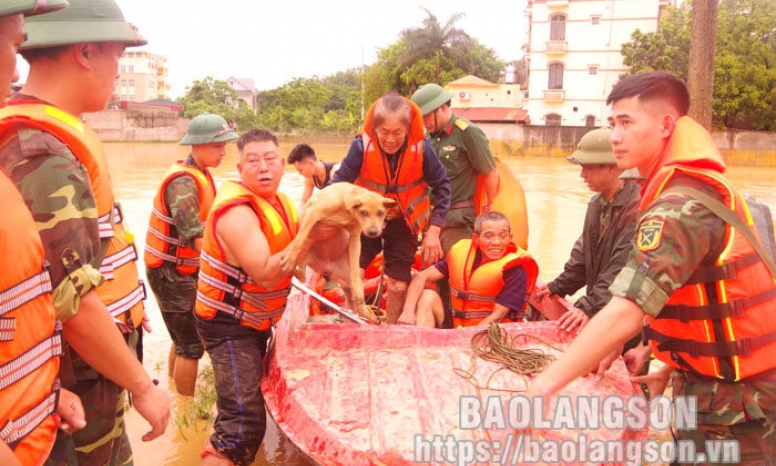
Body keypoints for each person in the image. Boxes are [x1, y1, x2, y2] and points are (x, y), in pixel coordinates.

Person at [527, 71, 776, 462]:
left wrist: (543, 386)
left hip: (739, 405)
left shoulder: (679, 207)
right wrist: (669, 360)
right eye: (612, 124)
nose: (615, 136)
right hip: (717, 388)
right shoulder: (693, 188)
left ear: (665, 125)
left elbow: (628, 307)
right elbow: (696, 291)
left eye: (626, 122)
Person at [0, 1, 170, 464]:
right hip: (79, 374)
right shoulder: (42, 153)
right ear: (86, 52)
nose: (118, 70)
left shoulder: (49, 137)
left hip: (81, 371)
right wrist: (143, 385)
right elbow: (71, 301)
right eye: (118, 54)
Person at [0, 2, 86, 465]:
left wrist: (49, 392)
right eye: (14, 45)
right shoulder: (36, 150)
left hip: (38, 423)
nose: (16, 66)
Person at [194, 129, 307, 465]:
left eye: (270, 159)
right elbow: (265, 270)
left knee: (245, 406)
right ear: (240, 169)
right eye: (253, 161)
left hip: (254, 320)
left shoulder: (282, 204)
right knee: (241, 425)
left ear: (283, 164)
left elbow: (301, 263)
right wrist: (311, 237)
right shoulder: (236, 212)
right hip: (228, 325)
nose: (263, 168)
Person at [331, 92, 451, 324]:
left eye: (397, 133)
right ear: (374, 129)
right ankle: (352, 319)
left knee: (397, 286)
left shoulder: (423, 149)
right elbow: (338, 182)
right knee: (351, 274)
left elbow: (443, 186)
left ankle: (391, 330)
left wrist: (434, 230)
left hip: (404, 221)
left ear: (408, 129)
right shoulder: (360, 147)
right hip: (366, 220)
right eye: (384, 132)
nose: (390, 139)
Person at [144, 113, 237, 397]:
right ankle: (185, 407)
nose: (223, 152)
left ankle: (174, 388)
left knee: (181, 336)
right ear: (196, 146)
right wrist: (236, 263)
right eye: (217, 146)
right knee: (192, 345)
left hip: (180, 269)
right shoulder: (183, 183)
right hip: (170, 273)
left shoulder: (201, 174)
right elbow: (195, 238)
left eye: (225, 145)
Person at [531, 128, 642, 354]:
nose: (582, 175)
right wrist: (559, 285)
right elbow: (583, 256)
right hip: (603, 307)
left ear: (613, 167)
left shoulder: (637, 206)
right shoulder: (596, 204)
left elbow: (623, 266)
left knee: (628, 372)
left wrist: (590, 305)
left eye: (588, 168)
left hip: (626, 314)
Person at [411, 83, 500, 328]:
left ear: (441, 109)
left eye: (426, 117)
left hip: (460, 219)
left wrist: (487, 215)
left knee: (456, 274)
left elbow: (491, 174)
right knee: (433, 275)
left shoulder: (467, 133)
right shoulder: (428, 138)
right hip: (433, 221)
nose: (424, 123)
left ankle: (455, 328)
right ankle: (438, 324)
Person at [399, 211, 538, 328]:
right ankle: (422, 348)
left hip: (490, 333)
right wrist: (408, 311)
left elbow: (498, 316)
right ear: (476, 239)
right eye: (489, 236)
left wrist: (466, 338)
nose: (496, 243)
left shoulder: (515, 270)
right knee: (427, 296)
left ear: (510, 238)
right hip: (457, 325)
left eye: (503, 236)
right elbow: (421, 276)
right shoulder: (462, 254)